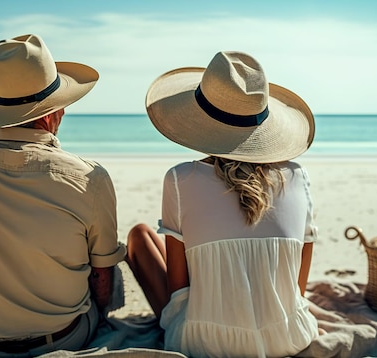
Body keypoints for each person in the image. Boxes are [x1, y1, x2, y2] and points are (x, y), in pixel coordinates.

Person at [0, 34, 126, 357]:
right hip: (65, 339)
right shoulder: (88, 177)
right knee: (105, 259)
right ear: (51, 113)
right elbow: (102, 282)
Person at [126, 51, 320, 357]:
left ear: (199, 121)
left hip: (206, 343)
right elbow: (298, 288)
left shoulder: (180, 179)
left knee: (140, 236)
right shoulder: (297, 177)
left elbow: (179, 292)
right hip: (288, 336)